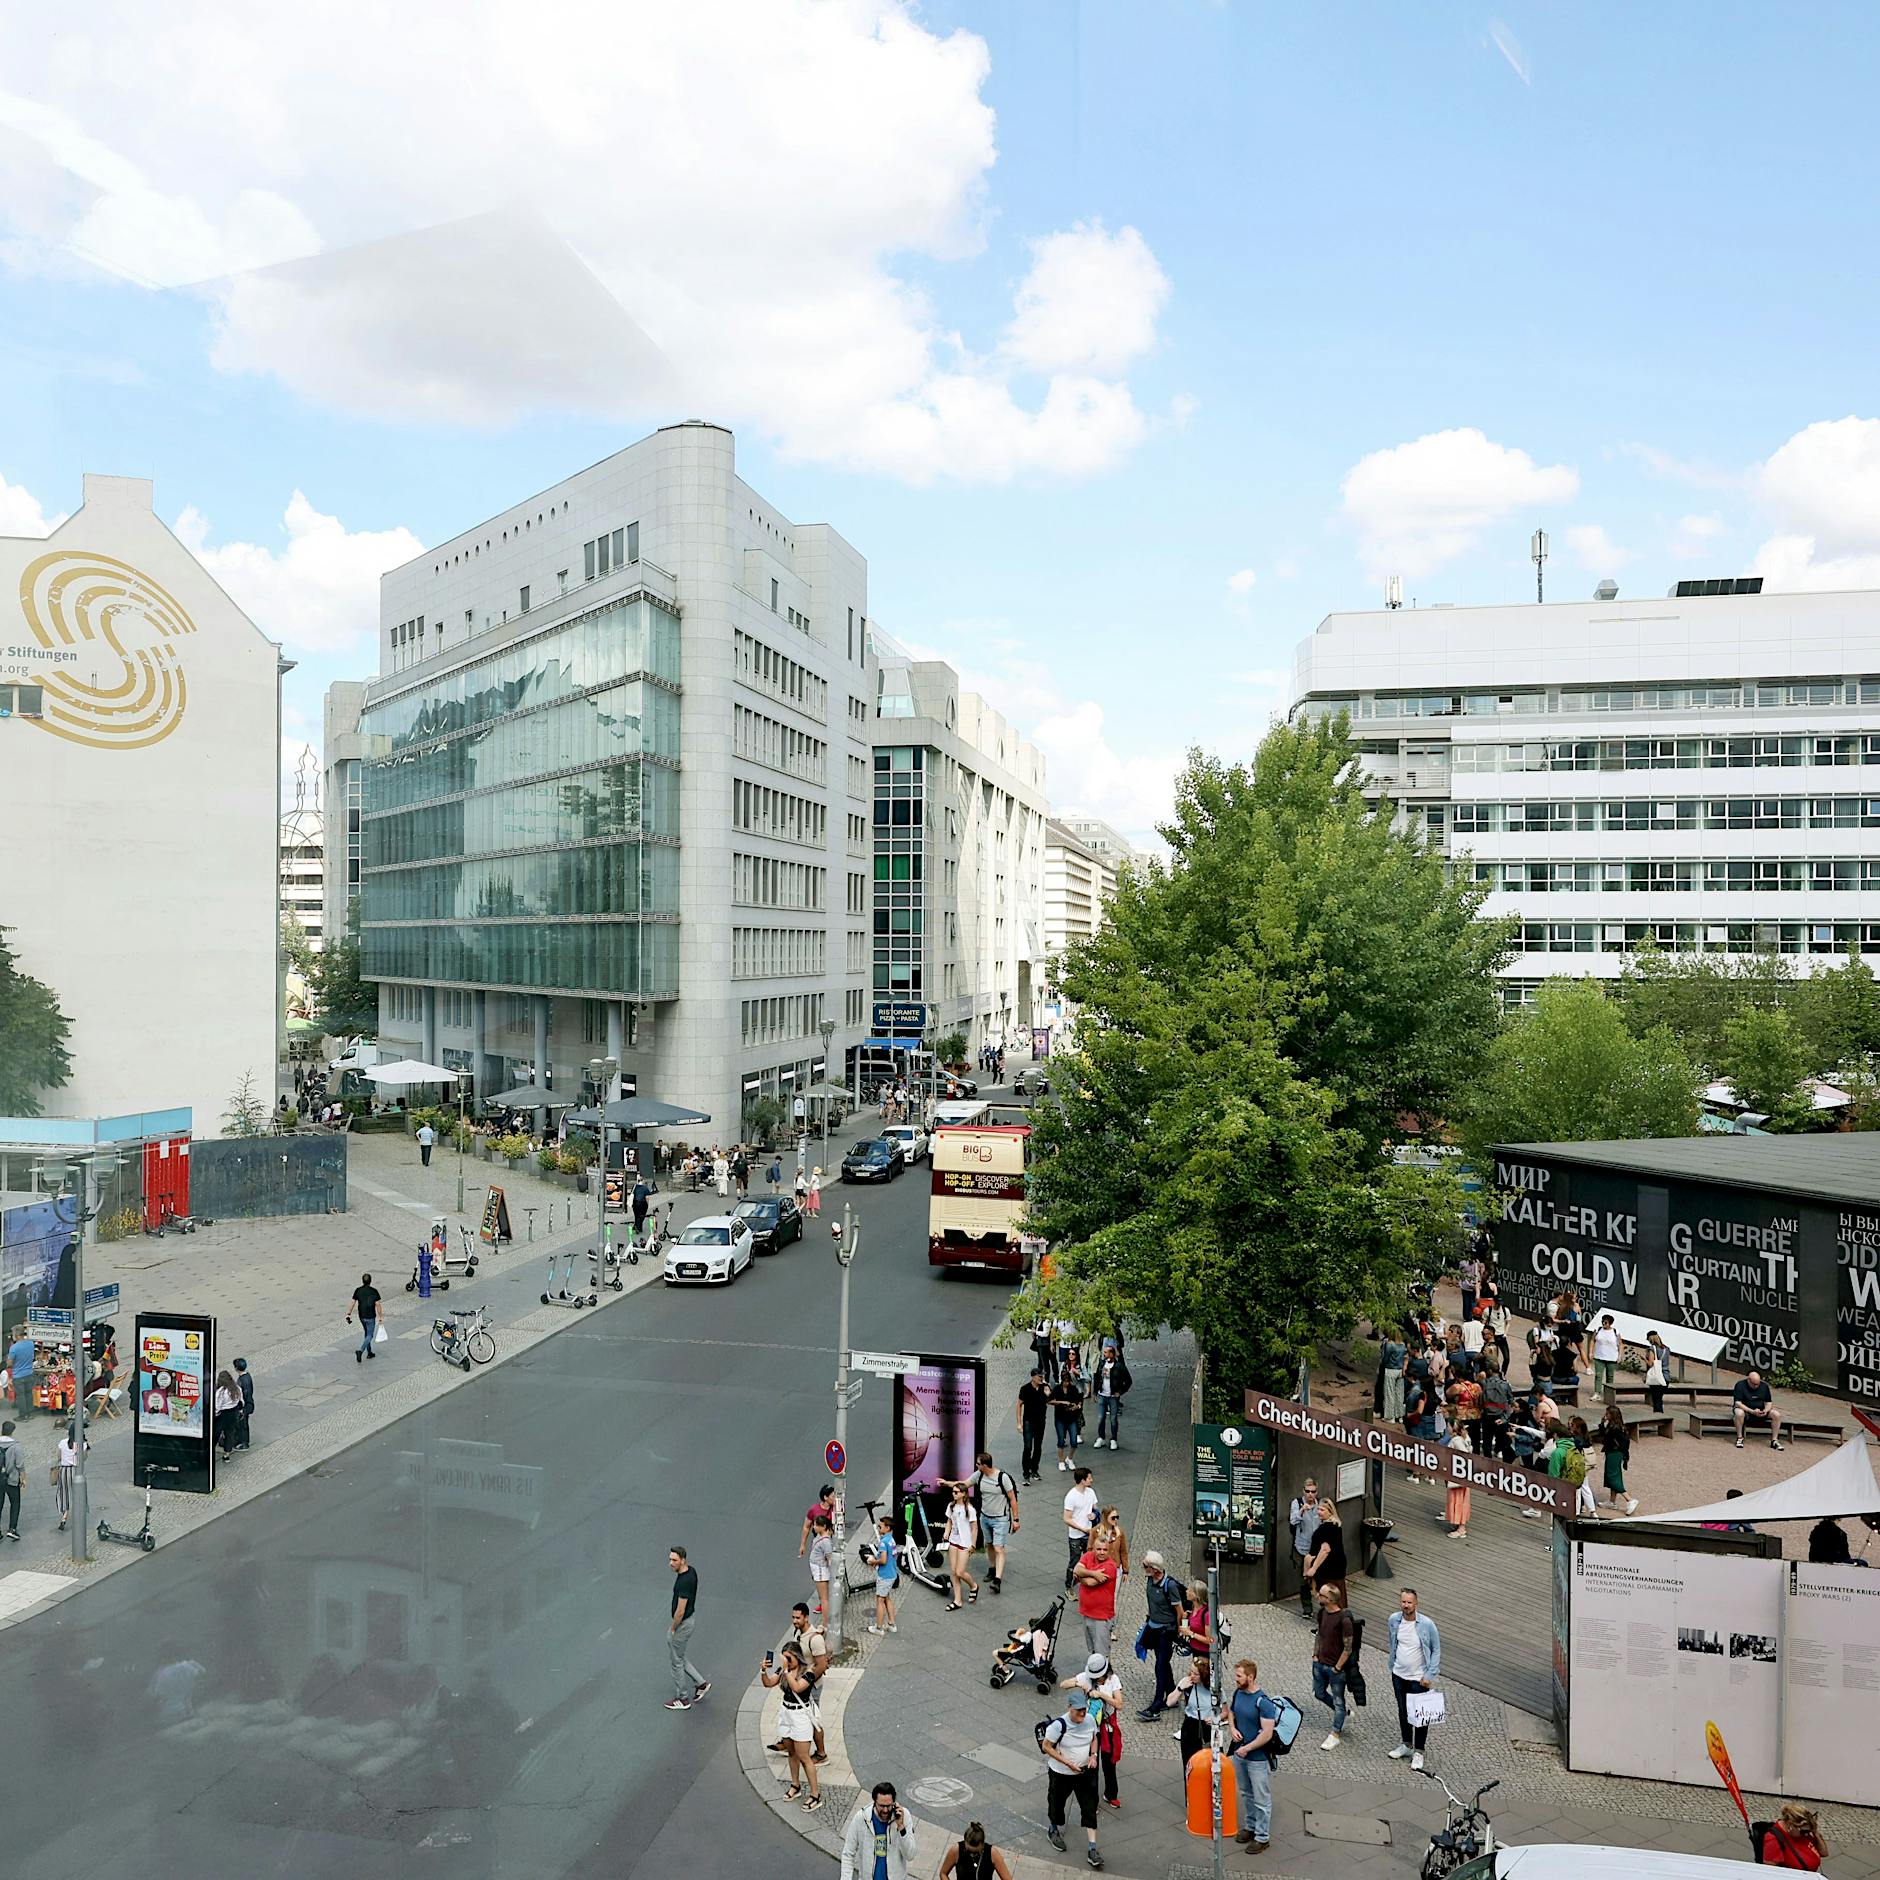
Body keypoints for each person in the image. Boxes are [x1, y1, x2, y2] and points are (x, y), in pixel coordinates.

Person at [1039, 1686, 1105, 1869]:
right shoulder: (1058, 1726)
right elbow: (1047, 1747)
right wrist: (1068, 1763)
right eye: (1078, 1711)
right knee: (1057, 1801)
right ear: (1069, 1708)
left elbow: (1094, 1737)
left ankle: (1093, 1848)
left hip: (1085, 1772)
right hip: (1061, 1773)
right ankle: (1053, 1829)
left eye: (1084, 1710)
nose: (1082, 1714)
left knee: (1089, 1805)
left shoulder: (1090, 1720)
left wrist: (1093, 1755)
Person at [761, 1642, 823, 1812]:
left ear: (797, 1657)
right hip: (786, 1712)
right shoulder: (784, 1671)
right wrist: (763, 1671)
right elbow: (768, 1683)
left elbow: (797, 1687)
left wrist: (787, 1671)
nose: (786, 1661)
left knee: (804, 1757)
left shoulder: (808, 1673)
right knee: (791, 1752)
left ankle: (815, 1795)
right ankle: (795, 1785)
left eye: (789, 1658)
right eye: (784, 1658)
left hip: (800, 1716)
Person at [1227, 1658, 1281, 1851]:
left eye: (1239, 1676)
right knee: (1246, 1792)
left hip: (1256, 1758)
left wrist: (1247, 1748)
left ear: (1250, 1677)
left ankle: (1262, 1836)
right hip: (1240, 1754)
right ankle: (1250, 1827)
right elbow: (1231, 1712)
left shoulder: (1264, 1703)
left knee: (1261, 1798)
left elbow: (1267, 1734)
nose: (1236, 1679)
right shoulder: (1238, 1693)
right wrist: (1232, 1728)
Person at [1060, 1652, 1126, 1810]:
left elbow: (1119, 1704)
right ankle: (1092, 1801)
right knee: (1092, 1765)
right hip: (1091, 1728)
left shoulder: (1113, 1680)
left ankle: (1111, 1794)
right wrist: (1078, 1684)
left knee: (1110, 1764)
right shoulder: (1086, 1677)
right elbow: (1063, 1684)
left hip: (1108, 1725)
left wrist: (1102, 1695)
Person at [1386, 1587, 1440, 1771]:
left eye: (1409, 1602)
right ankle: (1407, 1744)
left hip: (1418, 1679)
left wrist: (1429, 1674)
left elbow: (1436, 1650)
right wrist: (1392, 1665)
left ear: (1416, 1604)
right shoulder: (1394, 1620)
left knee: (1421, 1715)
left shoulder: (1426, 1624)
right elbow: (1393, 1643)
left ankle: (1419, 1751)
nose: (1406, 1605)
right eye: (1403, 1602)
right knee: (1403, 1711)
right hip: (1399, 1674)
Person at [1135, 1551, 1187, 1719]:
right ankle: (1172, 1694)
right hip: (1153, 1628)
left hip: (1166, 1631)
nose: (1144, 1568)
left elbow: (1180, 1612)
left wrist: (1180, 1630)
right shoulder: (1150, 1580)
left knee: (1160, 1666)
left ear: (1155, 1569)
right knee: (1163, 1663)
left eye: (1146, 1566)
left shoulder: (1169, 1586)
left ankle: (1156, 1706)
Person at [840, 1782, 918, 1880]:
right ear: (874, 1802)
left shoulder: (904, 1816)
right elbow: (848, 1853)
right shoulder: (861, 1818)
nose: (885, 1810)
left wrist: (901, 1827)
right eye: (881, 1806)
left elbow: (910, 1855)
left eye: (889, 1806)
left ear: (894, 1803)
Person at [965, 1451, 1019, 1591]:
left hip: (1001, 1519)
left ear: (984, 1465)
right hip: (985, 1517)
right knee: (989, 1544)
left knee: (998, 1548)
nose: (976, 1466)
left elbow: (1013, 1499)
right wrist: (947, 1483)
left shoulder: (1003, 1478)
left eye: (978, 1464)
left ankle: (997, 1580)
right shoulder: (979, 1475)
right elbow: (965, 1484)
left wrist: (1016, 1519)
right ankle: (992, 1568)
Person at [664, 1545, 708, 1712]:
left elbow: (680, 1609)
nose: (670, 1563)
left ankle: (682, 1698)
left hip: (682, 1624)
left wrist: (674, 1628)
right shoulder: (691, 1571)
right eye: (670, 1559)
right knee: (679, 1657)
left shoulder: (683, 1582)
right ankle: (701, 1683)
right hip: (689, 1620)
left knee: (676, 1662)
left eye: (674, 1560)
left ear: (683, 1560)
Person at [1313, 1582, 1354, 1749]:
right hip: (1319, 1663)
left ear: (1330, 1599)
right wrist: (1315, 1654)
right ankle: (1343, 1714)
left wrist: (1337, 1667)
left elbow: (1348, 1647)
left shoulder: (1344, 1620)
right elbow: (1319, 1634)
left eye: (1321, 1595)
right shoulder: (1322, 1613)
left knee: (1338, 1700)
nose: (1318, 1596)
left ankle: (1335, 1733)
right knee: (1319, 1693)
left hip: (1336, 1669)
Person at [1071, 1534, 1119, 1661]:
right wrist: (1093, 1573)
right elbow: (1076, 1569)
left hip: (1101, 1617)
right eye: (1099, 1549)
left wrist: (1079, 1576)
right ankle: (1095, 1675)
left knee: (1101, 1654)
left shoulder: (1110, 1567)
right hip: (1087, 1613)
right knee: (1092, 1650)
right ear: (1093, 1549)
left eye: (1105, 1550)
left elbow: (1090, 1583)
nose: (1102, 1552)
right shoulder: (1088, 1556)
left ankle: (1105, 1678)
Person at [1168, 1653, 1217, 1767]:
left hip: (1207, 1727)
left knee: (1210, 1765)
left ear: (1204, 1676)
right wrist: (1180, 1689)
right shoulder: (1187, 1682)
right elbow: (1169, 1702)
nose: (1192, 1675)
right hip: (1190, 1725)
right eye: (1191, 1671)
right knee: (1189, 1763)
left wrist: (1216, 1718)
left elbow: (1225, 1711)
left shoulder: (1214, 1688)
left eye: (1196, 1674)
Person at [1303, 1499, 1347, 1611]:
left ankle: (1332, 1615)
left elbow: (1325, 1550)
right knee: (1337, 1592)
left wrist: (1313, 1568)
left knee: (1328, 1593)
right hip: (1337, 1565)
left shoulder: (1326, 1528)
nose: (1319, 1512)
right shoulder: (1336, 1525)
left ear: (1330, 1512)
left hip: (1328, 1567)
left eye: (1322, 1510)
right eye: (1318, 1509)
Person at [1289, 1478, 1325, 1617]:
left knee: (1320, 1578)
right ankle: (1307, 1608)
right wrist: (1302, 1511)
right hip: (1301, 1548)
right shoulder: (1297, 1503)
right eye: (1308, 1491)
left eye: (1313, 1492)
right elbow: (1293, 1521)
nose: (1310, 1495)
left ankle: (1323, 1607)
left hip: (1316, 1549)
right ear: (1303, 1491)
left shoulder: (1320, 1505)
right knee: (1304, 1579)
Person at [943, 1481, 981, 1609]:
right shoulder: (951, 1506)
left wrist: (973, 1544)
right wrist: (946, 1533)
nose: (953, 1494)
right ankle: (957, 1600)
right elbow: (949, 1521)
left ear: (963, 1494)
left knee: (960, 1571)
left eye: (956, 1492)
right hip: (953, 1541)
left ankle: (973, 1585)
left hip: (965, 1543)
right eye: (953, 1492)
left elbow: (975, 1528)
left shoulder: (969, 1509)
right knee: (953, 1572)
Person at [1063, 1465, 1099, 1592]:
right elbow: (1067, 1518)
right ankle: (1069, 1586)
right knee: (1075, 1561)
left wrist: (1094, 1515)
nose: (1091, 1480)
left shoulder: (1091, 1492)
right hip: (1076, 1536)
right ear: (1082, 1480)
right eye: (1089, 1478)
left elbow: (1095, 1509)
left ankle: (1087, 1582)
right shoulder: (1071, 1496)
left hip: (1089, 1533)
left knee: (1089, 1559)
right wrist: (1082, 1528)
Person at [939, 1822, 1016, 1880]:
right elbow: (943, 1873)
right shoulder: (956, 1850)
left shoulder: (992, 1853)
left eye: (975, 1852)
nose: (971, 1854)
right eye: (968, 1850)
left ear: (982, 1844)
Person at [1762, 1804, 1829, 1871]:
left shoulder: (1803, 1833)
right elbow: (1770, 1871)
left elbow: (1824, 1853)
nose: (1806, 1834)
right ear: (1791, 1825)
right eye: (1804, 1832)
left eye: (1808, 1831)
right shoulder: (1773, 1839)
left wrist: (1815, 1833)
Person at [1598, 1405, 1638, 1515]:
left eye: (1608, 1414)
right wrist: (1602, 1424)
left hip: (1614, 1453)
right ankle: (1612, 1501)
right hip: (1614, 1453)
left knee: (1612, 1477)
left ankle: (1629, 1499)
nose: (1606, 1415)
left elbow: (1605, 1439)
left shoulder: (1615, 1428)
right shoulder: (1616, 1426)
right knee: (1614, 1476)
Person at [1732, 1370, 1785, 1450]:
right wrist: (1751, 1411)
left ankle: (1774, 1440)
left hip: (1760, 1410)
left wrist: (1765, 1410)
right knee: (1739, 1413)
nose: (1756, 1386)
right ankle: (1740, 1438)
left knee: (1776, 1414)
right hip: (1746, 1410)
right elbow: (1738, 1403)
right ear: (1748, 1380)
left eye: (1757, 1384)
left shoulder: (1764, 1386)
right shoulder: (1740, 1385)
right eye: (1754, 1384)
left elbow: (1768, 1402)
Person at [1091, 1341, 1129, 1451]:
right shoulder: (1102, 1364)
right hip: (1102, 1395)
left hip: (1113, 1396)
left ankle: (1113, 1439)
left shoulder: (1119, 1366)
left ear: (1112, 1354)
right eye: (1104, 1352)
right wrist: (1095, 1392)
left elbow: (1128, 1381)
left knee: (1113, 1419)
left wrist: (1120, 1392)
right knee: (1100, 1418)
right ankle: (1101, 1437)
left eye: (1106, 1353)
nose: (1104, 1355)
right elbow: (1097, 1377)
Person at [864, 1514, 899, 1634]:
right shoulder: (891, 1540)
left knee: (880, 1600)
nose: (878, 1529)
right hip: (892, 1573)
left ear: (887, 1528)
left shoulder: (883, 1542)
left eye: (880, 1527)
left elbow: (883, 1560)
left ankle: (878, 1627)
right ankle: (891, 1624)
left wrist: (874, 1561)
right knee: (887, 1598)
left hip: (885, 1575)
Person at [1051, 1355, 1086, 1470]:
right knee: (1061, 1440)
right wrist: (1063, 1402)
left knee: (1074, 1442)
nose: (1066, 1384)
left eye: (1068, 1381)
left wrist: (1076, 1406)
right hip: (1060, 1418)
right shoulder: (1057, 1389)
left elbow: (1078, 1401)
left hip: (1072, 1418)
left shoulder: (1073, 1389)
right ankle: (1061, 1461)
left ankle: (1069, 1458)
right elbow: (1050, 1401)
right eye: (1065, 1381)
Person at [1017, 1368, 1051, 1483]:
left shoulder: (1044, 1387)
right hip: (1028, 1421)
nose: (1041, 1378)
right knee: (1027, 1447)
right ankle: (1026, 1473)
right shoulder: (1025, 1389)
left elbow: (1050, 1399)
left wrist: (1047, 1393)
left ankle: (1034, 1469)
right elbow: (1019, 1405)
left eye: (1042, 1376)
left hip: (1041, 1421)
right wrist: (1019, 1422)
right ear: (1033, 1377)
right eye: (1039, 1376)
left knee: (1038, 1446)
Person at [346, 1273, 382, 1363]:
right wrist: (380, 1316)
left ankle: (369, 1352)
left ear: (362, 1281)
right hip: (370, 1316)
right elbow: (378, 1304)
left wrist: (348, 1314)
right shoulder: (374, 1291)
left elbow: (352, 1303)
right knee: (370, 1335)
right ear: (370, 1281)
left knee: (367, 1333)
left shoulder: (358, 1290)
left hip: (361, 1316)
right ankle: (360, 1351)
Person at [799, 1483, 840, 1559]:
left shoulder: (836, 1508)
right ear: (825, 1497)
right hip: (820, 1541)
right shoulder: (814, 1510)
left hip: (833, 1540)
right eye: (833, 1496)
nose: (835, 1498)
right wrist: (803, 1545)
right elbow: (806, 1527)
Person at [808, 1515, 835, 1617]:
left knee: (823, 1598)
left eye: (816, 1525)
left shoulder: (825, 1541)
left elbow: (829, 1558)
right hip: (817, 1569)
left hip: (820, 1570)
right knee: (823, 1597)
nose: (814, 1527)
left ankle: (825, 1623)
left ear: (823, 1526)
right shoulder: (820, 1536)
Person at [212, 1368, 243, 1459]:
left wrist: (215, 1414)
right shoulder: (237, 1388)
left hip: (223, 1414)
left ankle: (211, 1449)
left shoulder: (221, 1392)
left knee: (216, 1432)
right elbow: (241, 1401)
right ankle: (227, 1453)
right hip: (233, 1413)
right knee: (229, 1433)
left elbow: (217, 1406)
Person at [7, 1325, 36, 1418]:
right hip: (29, 1373)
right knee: (28, 1394)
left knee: (21, 1396)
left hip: (18, 1375)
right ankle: (30, 1413)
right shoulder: (30, 1343)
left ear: (17, 1335)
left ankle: (23, 1415)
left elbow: (9, 1363)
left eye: (13, 1334)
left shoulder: (14, 1348)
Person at [1590, 1314, 1622, 1398]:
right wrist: (1591, 1352)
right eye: (1603, 1322)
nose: (1604, 1324)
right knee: (1598, 1375)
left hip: (1611, 1357)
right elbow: (1592, 1341)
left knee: (1610, 1376)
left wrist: (1619, 1356)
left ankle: (1609, 1393)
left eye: (1606, 1322)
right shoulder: (1598, 1330)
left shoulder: (1615, 1332)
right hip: (1599, 1356)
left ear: (1610, 1323)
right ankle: (1597, 1392)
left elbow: (1620, 1344)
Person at [1380, 1333, 1408, 1423]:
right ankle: (1400, 1416)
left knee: (1389, 1393)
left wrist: (1383, 1364)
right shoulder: (1403, 1345)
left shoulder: (1389, 1344)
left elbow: (1385, 1358)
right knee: (1399, 1394)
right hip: (1400, 1370)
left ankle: (1389, 1416)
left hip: (1390, 1369)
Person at [1642, 1331, 1669, 1415]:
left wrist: (1644, 1358)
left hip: (1656, 1377)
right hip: (1665, 1377)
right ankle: (1660, 1417)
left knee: (1656, 1400)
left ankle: (1658, 1418)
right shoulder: (1666, 1349)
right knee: (1659, 1399)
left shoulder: (1652, 1349)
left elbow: (1650, 1363)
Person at [232, 1357, 255, 1449]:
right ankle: (242, 1440)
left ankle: (244, 1442)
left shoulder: (242, 1380)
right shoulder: (247, 1376)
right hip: (248, 1403)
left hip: (245, 1405)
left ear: (236, 1368)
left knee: (242, 1424)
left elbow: (244, 1394)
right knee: (243, 1423)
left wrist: (241, 1407)